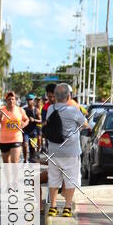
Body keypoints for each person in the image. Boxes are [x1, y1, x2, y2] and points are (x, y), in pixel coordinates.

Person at [44, 83, 88, 217]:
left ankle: (53, 207)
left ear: (55, 96)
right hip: (71, 152)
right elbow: (85, 124)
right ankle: (67, 208)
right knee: (71, 179)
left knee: (53, 178)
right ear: (69, 96)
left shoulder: (50, 109)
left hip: (54, 151)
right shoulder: (73, 110)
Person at [0, 91, 29, 163]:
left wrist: (23, 125)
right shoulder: (1, 111)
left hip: (16, 139)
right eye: (9, 99)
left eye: (13, 99)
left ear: (15, 100)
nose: (11, 101)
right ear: (6, 101)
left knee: (14, 162)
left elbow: (27, 119)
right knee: (6, 164)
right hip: (4, 140)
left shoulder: (20, 110)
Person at [22, 94, 40, 163]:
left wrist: (34, 120)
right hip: (26, 131)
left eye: (30, 100)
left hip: (33, 132)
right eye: (28, 100)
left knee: (32, 148)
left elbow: (41, 121)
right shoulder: (24, 110)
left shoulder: (36, 110)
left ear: (33, 101)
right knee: (25, 145)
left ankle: (31, 159)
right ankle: (25, 160)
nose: (29, 101)